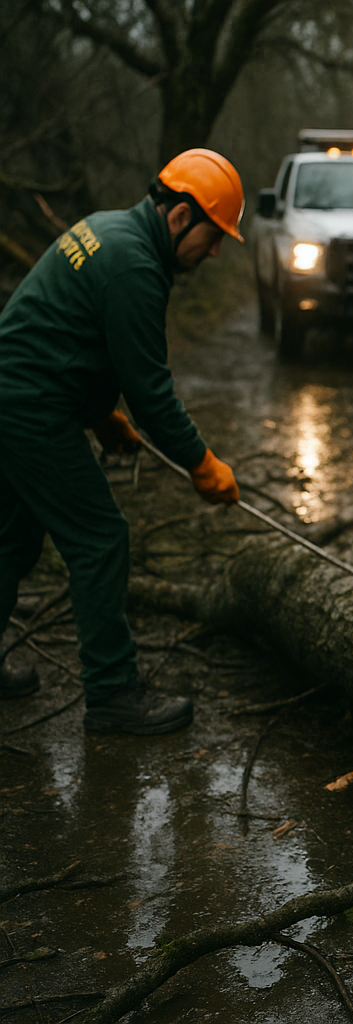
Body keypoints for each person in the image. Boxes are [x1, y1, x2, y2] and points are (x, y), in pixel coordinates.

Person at [0, 149, 243, 734]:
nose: (214, 252)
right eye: (213, 237)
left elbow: (70, 335)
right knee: (101, 540)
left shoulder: (106, 227)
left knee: (11, 537)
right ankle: (111, 695)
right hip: (29, 408)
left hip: (16, 396)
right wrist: (201, 463)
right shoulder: (135, 265)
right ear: (182, 215)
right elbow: (152, 393)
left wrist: (101, 414)